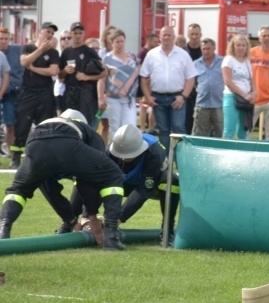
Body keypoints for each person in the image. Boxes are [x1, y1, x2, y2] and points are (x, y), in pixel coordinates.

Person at [0, 109, 126, 250]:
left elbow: (50, 189)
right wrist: (92, 216)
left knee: (17, 190)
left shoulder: (51, 125)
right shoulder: (88, 131)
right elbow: (91, 179)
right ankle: (111, 236)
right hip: (66, 143)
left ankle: (3, 231)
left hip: (35, 143)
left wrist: (70, 220)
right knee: (113, 174)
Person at [105, 125, 180, 244]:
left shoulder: (154, 152)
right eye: (121, 155)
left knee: (172, 181)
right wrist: (89, 217)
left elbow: (144, 190)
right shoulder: (110, 150)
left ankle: (167, 231)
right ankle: (73, 223)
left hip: (152, 184)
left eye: (129, 155)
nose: (124, 159)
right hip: (124, 183)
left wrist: (118, 219)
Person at [139, 26, 198, 148]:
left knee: (178, 129)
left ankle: (180, 159)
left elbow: (191, 78)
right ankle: (166, 160)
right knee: (163, 131)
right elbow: (143, 77)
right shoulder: (151, 54)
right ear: (159, 37)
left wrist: (183, 97)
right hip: (158, 99)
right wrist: (148, 97)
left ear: (174, 37)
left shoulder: (183, 55)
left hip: (177, 98)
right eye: (164, 35)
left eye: (169, 35)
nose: (166, 37)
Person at [13, 23, 61, 170]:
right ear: (40, 32)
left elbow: (53, 71)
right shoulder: (28, 47)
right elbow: (24, 61)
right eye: (47, 31)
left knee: (44, 125)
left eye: (52, 33)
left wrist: (33, 68)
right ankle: (16, 157)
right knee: (22, 125)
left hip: (45, 92)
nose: (50, 35)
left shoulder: (53, 53)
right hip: (28, 91)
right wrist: (40, 50)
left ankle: (42, 156)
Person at [59, 22, 107, 130]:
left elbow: (104, 73)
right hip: (69, 92)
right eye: (75, 33)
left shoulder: (89, 51)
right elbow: (60, 76)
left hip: (85, 92)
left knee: (84, 122)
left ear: (84, 34)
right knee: (69, 122)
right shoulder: (66, 52)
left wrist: (87, 77)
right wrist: (65, 71)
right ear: (71, 34)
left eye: (80, 33)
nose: (77, 36)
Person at [98, 29, 139, 139]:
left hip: (129, 98)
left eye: (122, 41)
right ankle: (115, 153)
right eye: (117, 42)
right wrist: (100, 98)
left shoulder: (132, 57)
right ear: (111, 43)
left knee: (130, 126)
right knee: (115, 127)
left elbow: (138, 73)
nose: (120, 44)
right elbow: (101, 79)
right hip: (112, 98)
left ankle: (129, 152)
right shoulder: (106, 59)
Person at [222, 34, 254, 140]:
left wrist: (254, 93)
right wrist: (244, 94)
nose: (241, 48)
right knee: (229, 130)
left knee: (243, 130)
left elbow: (251, 81)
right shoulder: (229, 60)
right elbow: (228, 81)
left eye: (243, 45)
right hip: (232, 97)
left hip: (246, 100)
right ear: (233, 46)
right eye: (238, 45)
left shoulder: (247, 62)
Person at [0, 26, 24, 166]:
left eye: (5, 39)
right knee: (9, 124)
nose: (3, 41)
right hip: (6, 92)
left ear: (10, 39)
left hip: (18, 92)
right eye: (0, 39)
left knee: (18, 125)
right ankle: (11, 152)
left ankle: (15, 153)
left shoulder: (18, 50)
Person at [250, 26, 269, 139]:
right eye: (264, 36)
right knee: (246, 131)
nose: (266, 38)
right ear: (259, 38)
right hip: (253, 98)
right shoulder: (251, 52)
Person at [192, 38, 224, 137]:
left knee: (220, 133)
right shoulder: (196, 64)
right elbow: (193, 82)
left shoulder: (223, 62)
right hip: (202, 104)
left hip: (219, 104)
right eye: (204, 49)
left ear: (214, 48)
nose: (206, 51)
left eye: (208, 48)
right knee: (200, 135)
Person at [137, 32, 159, 132]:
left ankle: (151, 127)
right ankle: (142, 128)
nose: (157, 44)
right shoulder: (143, 53)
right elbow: (140, 69)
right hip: (145, 84)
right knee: (144, 106)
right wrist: (147, 78)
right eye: (155, 42)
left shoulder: (153, 52)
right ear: (148, 41)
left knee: (152, 105)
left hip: (152, 84)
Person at [183, 24, 203, 135]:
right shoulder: (182, 52)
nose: (194, 36)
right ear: (188, 35)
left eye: (196, 34)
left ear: (201, 35)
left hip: (201, 93)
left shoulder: (205, 51)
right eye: (192, 34)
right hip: (186, 94)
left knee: (201, 124)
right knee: (186, 123)